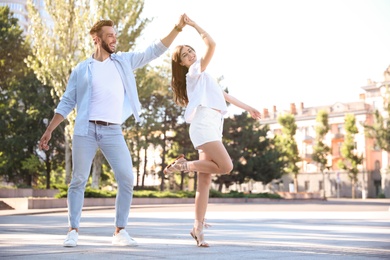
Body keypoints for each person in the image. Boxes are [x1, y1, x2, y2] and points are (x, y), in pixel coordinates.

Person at [38, 15, 186, 247]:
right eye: (110, 35)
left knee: (126, 177)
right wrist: (49, 130)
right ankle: (73, 230)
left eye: (115, 35)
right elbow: (67, 101)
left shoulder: (123, 61)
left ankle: (120, 231)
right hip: (85, 129)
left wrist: (177, 28)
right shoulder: (81, 69)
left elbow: (154, 51)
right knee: (78, 180)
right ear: (97, 40)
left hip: (112, 130)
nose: (114, 39)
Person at [165, 14, 261, 247]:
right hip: (204, 126)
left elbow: (224, 96)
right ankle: (182, 166)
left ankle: (197, 229)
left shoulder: (204, 77)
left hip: (211, 126)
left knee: (204, 181)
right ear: (183, 64)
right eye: (185, 55)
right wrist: (195, 25)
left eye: (190, 51)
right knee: (226, 166)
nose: (190, 54)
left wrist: (248, 107)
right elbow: (212, 44)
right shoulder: (195, 72)